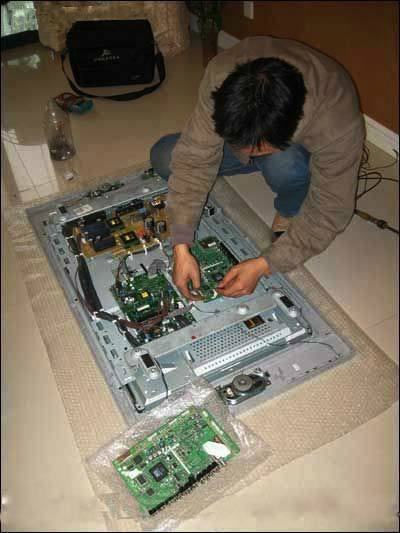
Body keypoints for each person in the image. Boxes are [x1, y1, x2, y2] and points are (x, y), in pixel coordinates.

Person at [150, 36, 365, 300]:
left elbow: (331, 208)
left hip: (294, 153)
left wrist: (266, 264)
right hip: (258, 130)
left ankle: (291, 203)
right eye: (241, 145)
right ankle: (263, 156)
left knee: (284, 166)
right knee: (164, 157)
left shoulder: (336, 118)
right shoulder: (220, 78)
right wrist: (181, 244)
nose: (246, 154)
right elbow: (194, 159)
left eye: (257, 150)